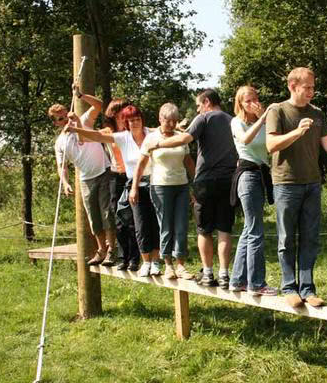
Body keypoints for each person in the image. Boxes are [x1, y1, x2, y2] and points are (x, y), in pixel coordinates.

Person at [265, 67, 327, 308]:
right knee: (286, 238)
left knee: (310, 238)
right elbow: (271, 145)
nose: (312, 91)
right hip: (286, 183)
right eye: (307, 87)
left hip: (312, 183)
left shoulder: (318, 113)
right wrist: (298, 131)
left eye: (313, 87)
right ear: (292, 86)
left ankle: (308, 289)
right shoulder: (277, 110)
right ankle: (289, 287)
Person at [142, 89, 237, 288]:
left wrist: (159, 143)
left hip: (206, 181)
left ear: (207, 102)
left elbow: (184, 139)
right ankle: (225, 274)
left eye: (198, 105)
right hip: (229, 180)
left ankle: (208, 274)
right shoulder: (232, 120)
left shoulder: (203, 118)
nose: (197, 108)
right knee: (224, 230)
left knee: (204, 230)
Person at [66, 103, 161, 278]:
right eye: (131, 120)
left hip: (155, 184)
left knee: (155, 223)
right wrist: (76, 129)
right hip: (135, 186)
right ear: (125, 122)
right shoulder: (122, 137)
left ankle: (156, 261)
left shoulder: (150, 134)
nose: (135, 123)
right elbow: (94, 136)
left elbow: (165, 128)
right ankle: (145, 261)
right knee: (139, 225)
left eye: (137, 119)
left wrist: (177, 126)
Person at [49, 91, 116, 267]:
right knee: (94, 217)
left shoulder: (84, 120)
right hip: (86, 179)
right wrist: (65, 183)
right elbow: (61, 166)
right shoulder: (59, 143)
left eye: (66, 115)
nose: (66, 119)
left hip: (103, 171)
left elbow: (99, 105)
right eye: (61, 119)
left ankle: (112, 250)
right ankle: (101, 250)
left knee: (107, 212)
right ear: (56, 123)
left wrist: (80, 95)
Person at [133, 103, 196, 280]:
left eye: (175, 121)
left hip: (182, 186)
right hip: (160, 186)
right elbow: (141, 164)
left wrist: (197, 183)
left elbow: (188, 161)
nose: (171, 124)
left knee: (182, 225)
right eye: (168, 121)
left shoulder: (181, 137)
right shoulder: (151, 139)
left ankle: (181, 265)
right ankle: (167, 263)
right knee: (166, 225)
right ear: (160, 118)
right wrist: (134, 188)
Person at [228, 86, 277, 296]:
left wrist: (264, 120)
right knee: (256, 231)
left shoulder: (264, 124)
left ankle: (237, 280)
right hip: (247, 176)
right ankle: (256, 284)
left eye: (255, 99)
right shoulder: (236, 122)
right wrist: (263, 117)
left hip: (261, 175)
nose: (253, 103)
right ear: (240, 104)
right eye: (248, 101)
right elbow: (245, 139)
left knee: (249, 229)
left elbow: (271, 146)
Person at [100, 98, 141, 271]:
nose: (125, 114)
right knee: (118, 218)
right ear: (114, 113)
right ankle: (123, 257)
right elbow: (86, 132)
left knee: (134, 218)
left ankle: (134, 258)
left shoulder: (132, 129)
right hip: (115, 177)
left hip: (132, 177)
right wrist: (75, 122)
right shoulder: (107, 131)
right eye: (121, 110)